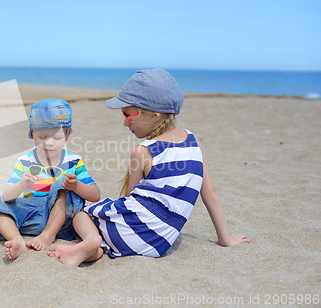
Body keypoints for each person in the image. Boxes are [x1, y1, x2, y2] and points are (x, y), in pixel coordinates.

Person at [48, 69, 250, 266]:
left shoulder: (143, 151)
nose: (125, 123)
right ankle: (96, 250)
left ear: (154, 115)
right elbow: (211, 195)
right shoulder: (193, 140)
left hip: (130, 231)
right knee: (111, 227)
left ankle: (92, 241)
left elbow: (127, 201)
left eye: (127, 115)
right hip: (158, 244)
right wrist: (225, 239)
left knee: (83, 214)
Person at [0, 98, 100, 260]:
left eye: (56, 138)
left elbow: (95, 195)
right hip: (34, 216)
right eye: (42, 137)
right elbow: (7, 196)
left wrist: (76, 186)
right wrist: (22, 184)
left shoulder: (73, 161)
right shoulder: (25, 161)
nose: (49, 143)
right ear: (33, 134)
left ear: (67, 135)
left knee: (62, 186)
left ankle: (56, 236)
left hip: (65, 219)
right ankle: (17, 239)